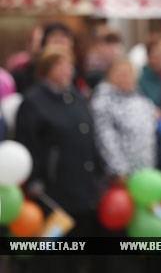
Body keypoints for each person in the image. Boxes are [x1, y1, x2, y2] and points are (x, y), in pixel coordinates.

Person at [15, 47, 104, 273]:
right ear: (47, 69)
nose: (67, 70)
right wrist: (34, 179)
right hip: (52, 193)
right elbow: (27, 143)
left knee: (77, 254)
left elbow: (89, 135)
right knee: (53, 257)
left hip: (83, 189)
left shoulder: (75, 95)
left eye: (69, 64)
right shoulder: (34, 101)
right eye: (60, 65)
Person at [91, 58, 157, 183]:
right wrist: (119, 170)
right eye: (121, 73)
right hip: (120, 175)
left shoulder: (140, 99)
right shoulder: (103, 102)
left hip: (145, 171)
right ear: (110, 76)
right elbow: (105, 139)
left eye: (129, 73)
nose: (126, 77)